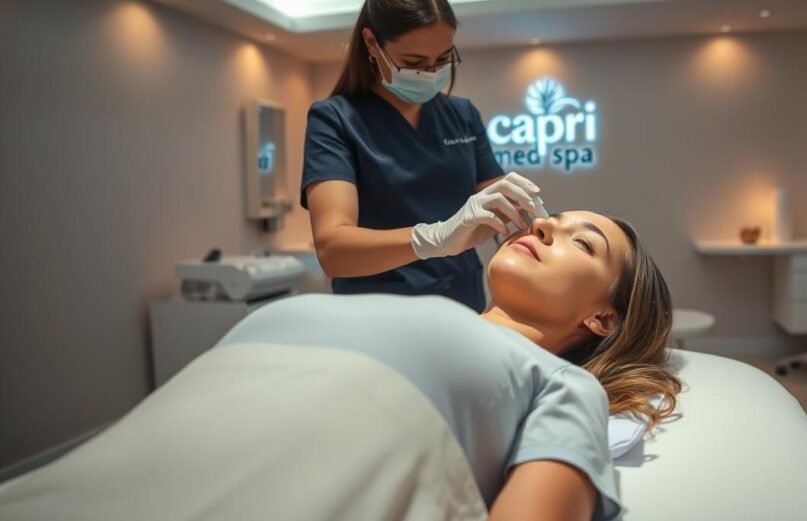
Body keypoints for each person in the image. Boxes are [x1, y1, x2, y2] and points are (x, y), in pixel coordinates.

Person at [0, 212, 681, 521]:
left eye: (578, 242)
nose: (541, 227)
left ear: (601, 318)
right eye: (549, 219)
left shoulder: (564, 385)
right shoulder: (416, 307)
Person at [302, 0, 538, 312]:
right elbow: (334, 249)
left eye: (443, 59)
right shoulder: (335, 120)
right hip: (378, 316)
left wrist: (535, 225)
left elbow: (503, 214)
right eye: (414, 61)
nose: (431, 73)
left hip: (463, 306)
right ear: (371, 43)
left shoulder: (462, 115)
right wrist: (436, 238)